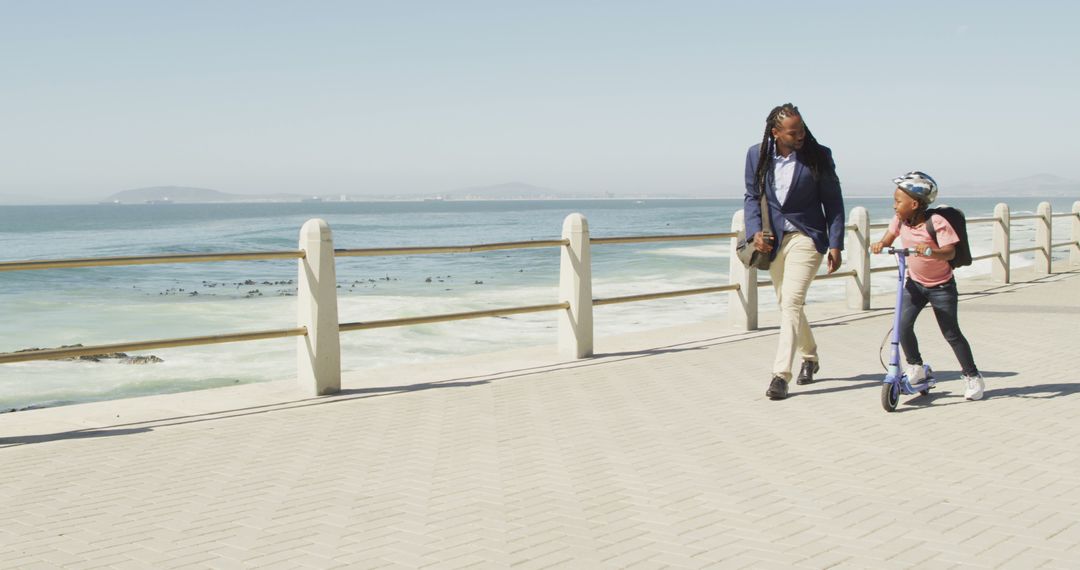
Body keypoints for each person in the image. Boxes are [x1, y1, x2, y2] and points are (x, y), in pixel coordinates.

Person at [744, 103, 845, 400]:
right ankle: (810, 357)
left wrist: (836, 243)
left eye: (802, 129)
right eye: (793, 132)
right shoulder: (757, 154)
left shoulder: (819, 155)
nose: (801, 135)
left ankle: (780, 375)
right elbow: (751, 196)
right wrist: (754, 233)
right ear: (776, 133)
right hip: (774, 239)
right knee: (787, 304)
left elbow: (834, 202)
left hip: (807, 237)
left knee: (791, 301)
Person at [870, 171, 985, 400]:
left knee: (951, 333)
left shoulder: (936, 222)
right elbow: (889, 237)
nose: (894, 206)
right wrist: (881, 244)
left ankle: (973, 377)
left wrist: (931, 250)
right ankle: (916, 367)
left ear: (914, 204)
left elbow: (950, 250)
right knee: (902, 326)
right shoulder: (900, 220)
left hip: (941, 287)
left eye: (898, 201)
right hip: (915, 283)